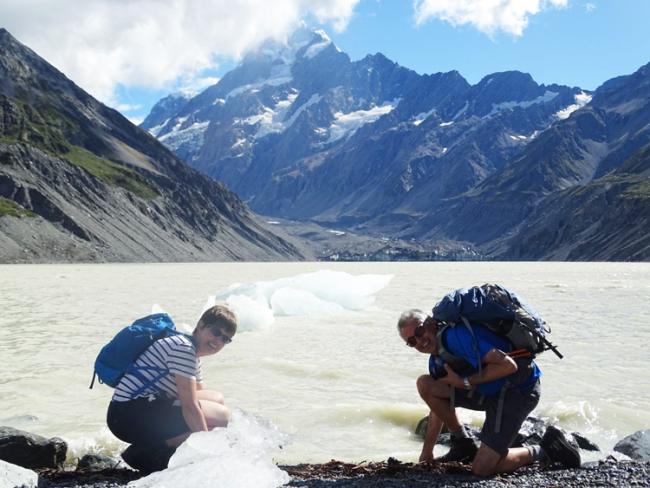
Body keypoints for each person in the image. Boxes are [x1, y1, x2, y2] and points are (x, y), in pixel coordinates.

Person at [397, 309, 580, 477]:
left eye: (419, 332)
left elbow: (509, 365)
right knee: (426, 384)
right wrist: (427, 451)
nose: (419, 341)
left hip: (518, 390)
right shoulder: (436, 361)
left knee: (482, 469)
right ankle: (463, 443)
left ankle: (546, 449)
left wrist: (464, 382)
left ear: (430, 322)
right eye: (412, 341)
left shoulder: (456, 337)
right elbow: (437, 404)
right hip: (490, 391)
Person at [107, 305, 237, 472]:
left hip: (136, 410)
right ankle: (147, 454)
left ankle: (146, 450)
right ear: (201, 325)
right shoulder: (183, 349)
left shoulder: (191, 353)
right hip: (127, 416)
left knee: (217, 400)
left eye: (225, 339)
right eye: (216, 332)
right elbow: (190, 406)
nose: (218, 341)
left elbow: (198, 398)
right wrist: (210, 452)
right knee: (222, 417)